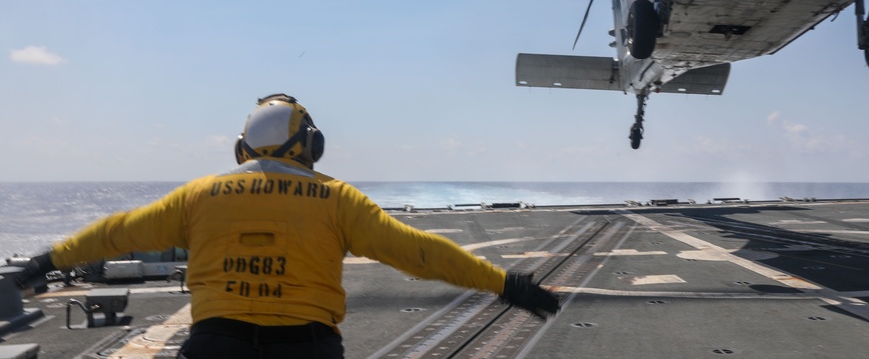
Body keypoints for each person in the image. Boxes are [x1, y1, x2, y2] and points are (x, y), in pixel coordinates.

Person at [12, 94, 559, 358]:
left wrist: (44, 262)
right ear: (310, 147)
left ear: (242, 147)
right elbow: (419, 252)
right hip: (307, 348)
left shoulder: (198, 197)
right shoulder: (335, 199)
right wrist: (506, 283)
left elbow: (115, 232)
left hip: (215, 347)